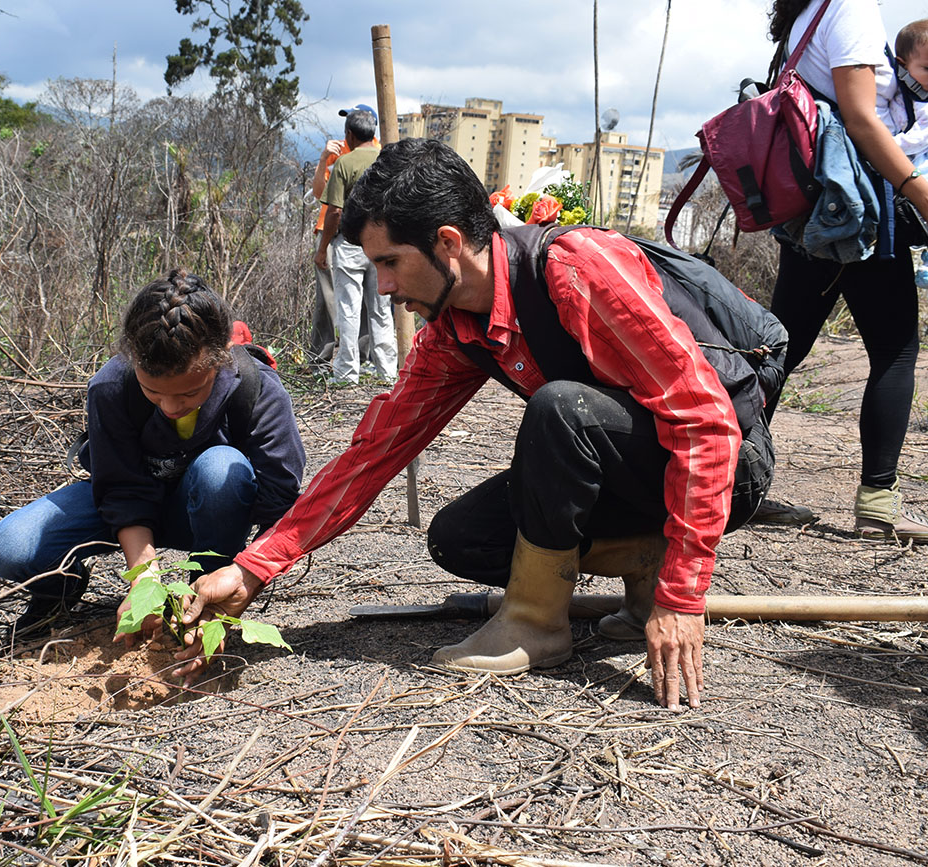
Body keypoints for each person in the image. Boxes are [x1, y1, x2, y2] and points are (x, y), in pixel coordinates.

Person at [166, 138, 779, 711]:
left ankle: (539, 622)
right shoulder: (455, 329)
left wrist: (683, 594)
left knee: (561, 409)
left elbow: (705, 423)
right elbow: (373, 453)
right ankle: (642, 557)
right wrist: (254, 567)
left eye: (391, 264)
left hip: (727, 467)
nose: (382, 288)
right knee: (462, 538)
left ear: (449, 242)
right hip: (637, 471)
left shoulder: (576, 271)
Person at [0, 271, 305, 638]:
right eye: (153, 392)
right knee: (10, 545)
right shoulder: (111, 386)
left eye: (188, 393)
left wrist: (245, 578)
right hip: (127, 510)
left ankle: (204, 599)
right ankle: (58, 593)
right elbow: (121, 488)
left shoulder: (255, 386)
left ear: (219, 359)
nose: (170, 406)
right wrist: (144, 579)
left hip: (211, 510)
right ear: (133, 360)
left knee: (222, 467)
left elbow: (280, 499)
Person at [764, 0, 928, 542]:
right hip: (853, 210)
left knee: (782, 346)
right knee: (895, 351)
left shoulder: (808, 11)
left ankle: (725, 484)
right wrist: (927, 198)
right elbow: (861, 118)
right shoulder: (851, 7)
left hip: (814, 206)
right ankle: (879, 505)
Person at [314, 108, 397, 385]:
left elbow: (334, 212)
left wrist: (322, 249)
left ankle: (348, 374)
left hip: (350, 246)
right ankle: (387, 372)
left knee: (348, 310)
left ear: (349, 135)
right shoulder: (388, 162)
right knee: (381, 310)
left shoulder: (344, 164)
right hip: (383, 249)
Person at [307, 104, 380, 371]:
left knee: (364, 303)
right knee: (326, 300)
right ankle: (321, 358)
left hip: (355, 236)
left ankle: (360, 359)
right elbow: (319, 194)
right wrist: (323, 158)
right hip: (328, 230)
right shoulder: (336, 151)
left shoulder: (376, 154)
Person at [885, 18, 928, 287]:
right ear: (903, 65)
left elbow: (916, 141)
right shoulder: (904, 95)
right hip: (916, 159)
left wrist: (882, 146)